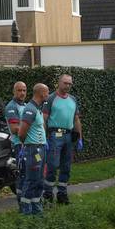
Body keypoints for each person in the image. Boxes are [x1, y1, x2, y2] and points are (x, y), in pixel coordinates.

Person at [43, 73, 82, 205]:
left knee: (66, 166)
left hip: (68, 136)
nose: (67, 86)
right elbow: (44, 119)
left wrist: (80, 137)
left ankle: (62, 194)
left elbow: (76, 119)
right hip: (55, 136)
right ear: (59, 83)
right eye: (65, 83)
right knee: (53, 165)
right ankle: (47, 194)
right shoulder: (51, 98)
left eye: (70, 83)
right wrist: (44, 138)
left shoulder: (73, 99)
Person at [16, 83, 49, 216]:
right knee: (31, 180)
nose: (48, 95)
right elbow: (21, 133)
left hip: (40, 149)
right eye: (47, 92)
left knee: (39, 179)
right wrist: (27, 145)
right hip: (33, 149)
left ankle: (36, 208)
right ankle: (26, 210)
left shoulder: (38, 108)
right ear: (41, 93)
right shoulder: (30, 109)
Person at [4, 81, 27, 212]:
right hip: (19, 145)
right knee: (22, 175)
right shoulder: (11, 107)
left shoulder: (26, 105)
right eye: (19, 90)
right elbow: (14, 129)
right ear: (14, 91)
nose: (22, 93)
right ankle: (22, 205)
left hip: (27, 144)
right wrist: (33, 132)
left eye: (24, 90)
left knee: (28, 174)